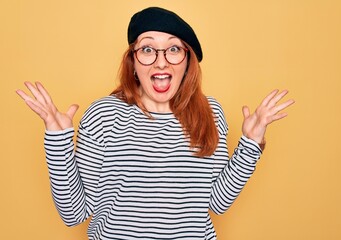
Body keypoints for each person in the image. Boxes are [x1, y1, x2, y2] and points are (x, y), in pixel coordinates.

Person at [16, 6, 294, 240]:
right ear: (132, 62)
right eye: (148, 49)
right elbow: (74, 214)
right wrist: (57, 139)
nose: (161, 62)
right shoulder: (104, 115)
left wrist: (251, 144)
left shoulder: (210, 113)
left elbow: (217, 203)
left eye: (173, 49)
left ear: (187, 61)